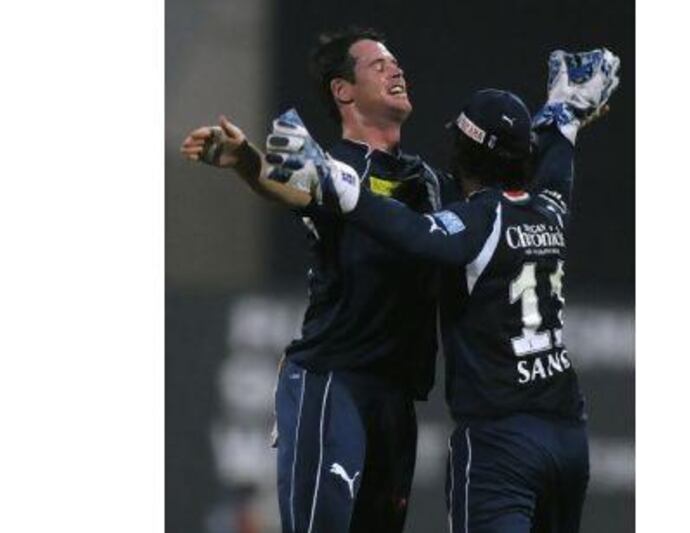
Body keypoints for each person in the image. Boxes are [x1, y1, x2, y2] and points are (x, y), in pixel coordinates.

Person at [282, 49, 620, 532]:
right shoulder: (550, 207)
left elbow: (414, 233)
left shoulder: (476, 220)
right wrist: (562, 113)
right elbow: (554, 161)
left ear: (465, 152)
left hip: (500, 443)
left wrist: (338, 184)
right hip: (568, 436)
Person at [180, 28, 452, 533]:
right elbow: (289, 184)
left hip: (397, 399)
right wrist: (245, 162)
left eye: (396, 62)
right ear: (342, 91)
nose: (397, 70)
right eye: (378, 65)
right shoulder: (329, 169)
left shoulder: (430, 181)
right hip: (334, 382)